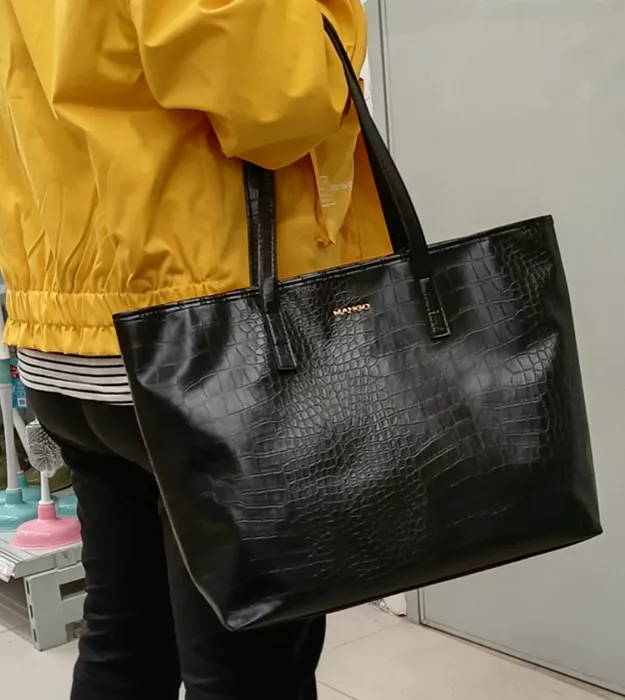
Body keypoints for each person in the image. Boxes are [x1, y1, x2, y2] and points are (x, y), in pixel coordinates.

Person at [0, 1, 391, 698]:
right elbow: (282, 99)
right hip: (212, 344)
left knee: (124, 637)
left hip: (65, 333)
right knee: (246, 668)